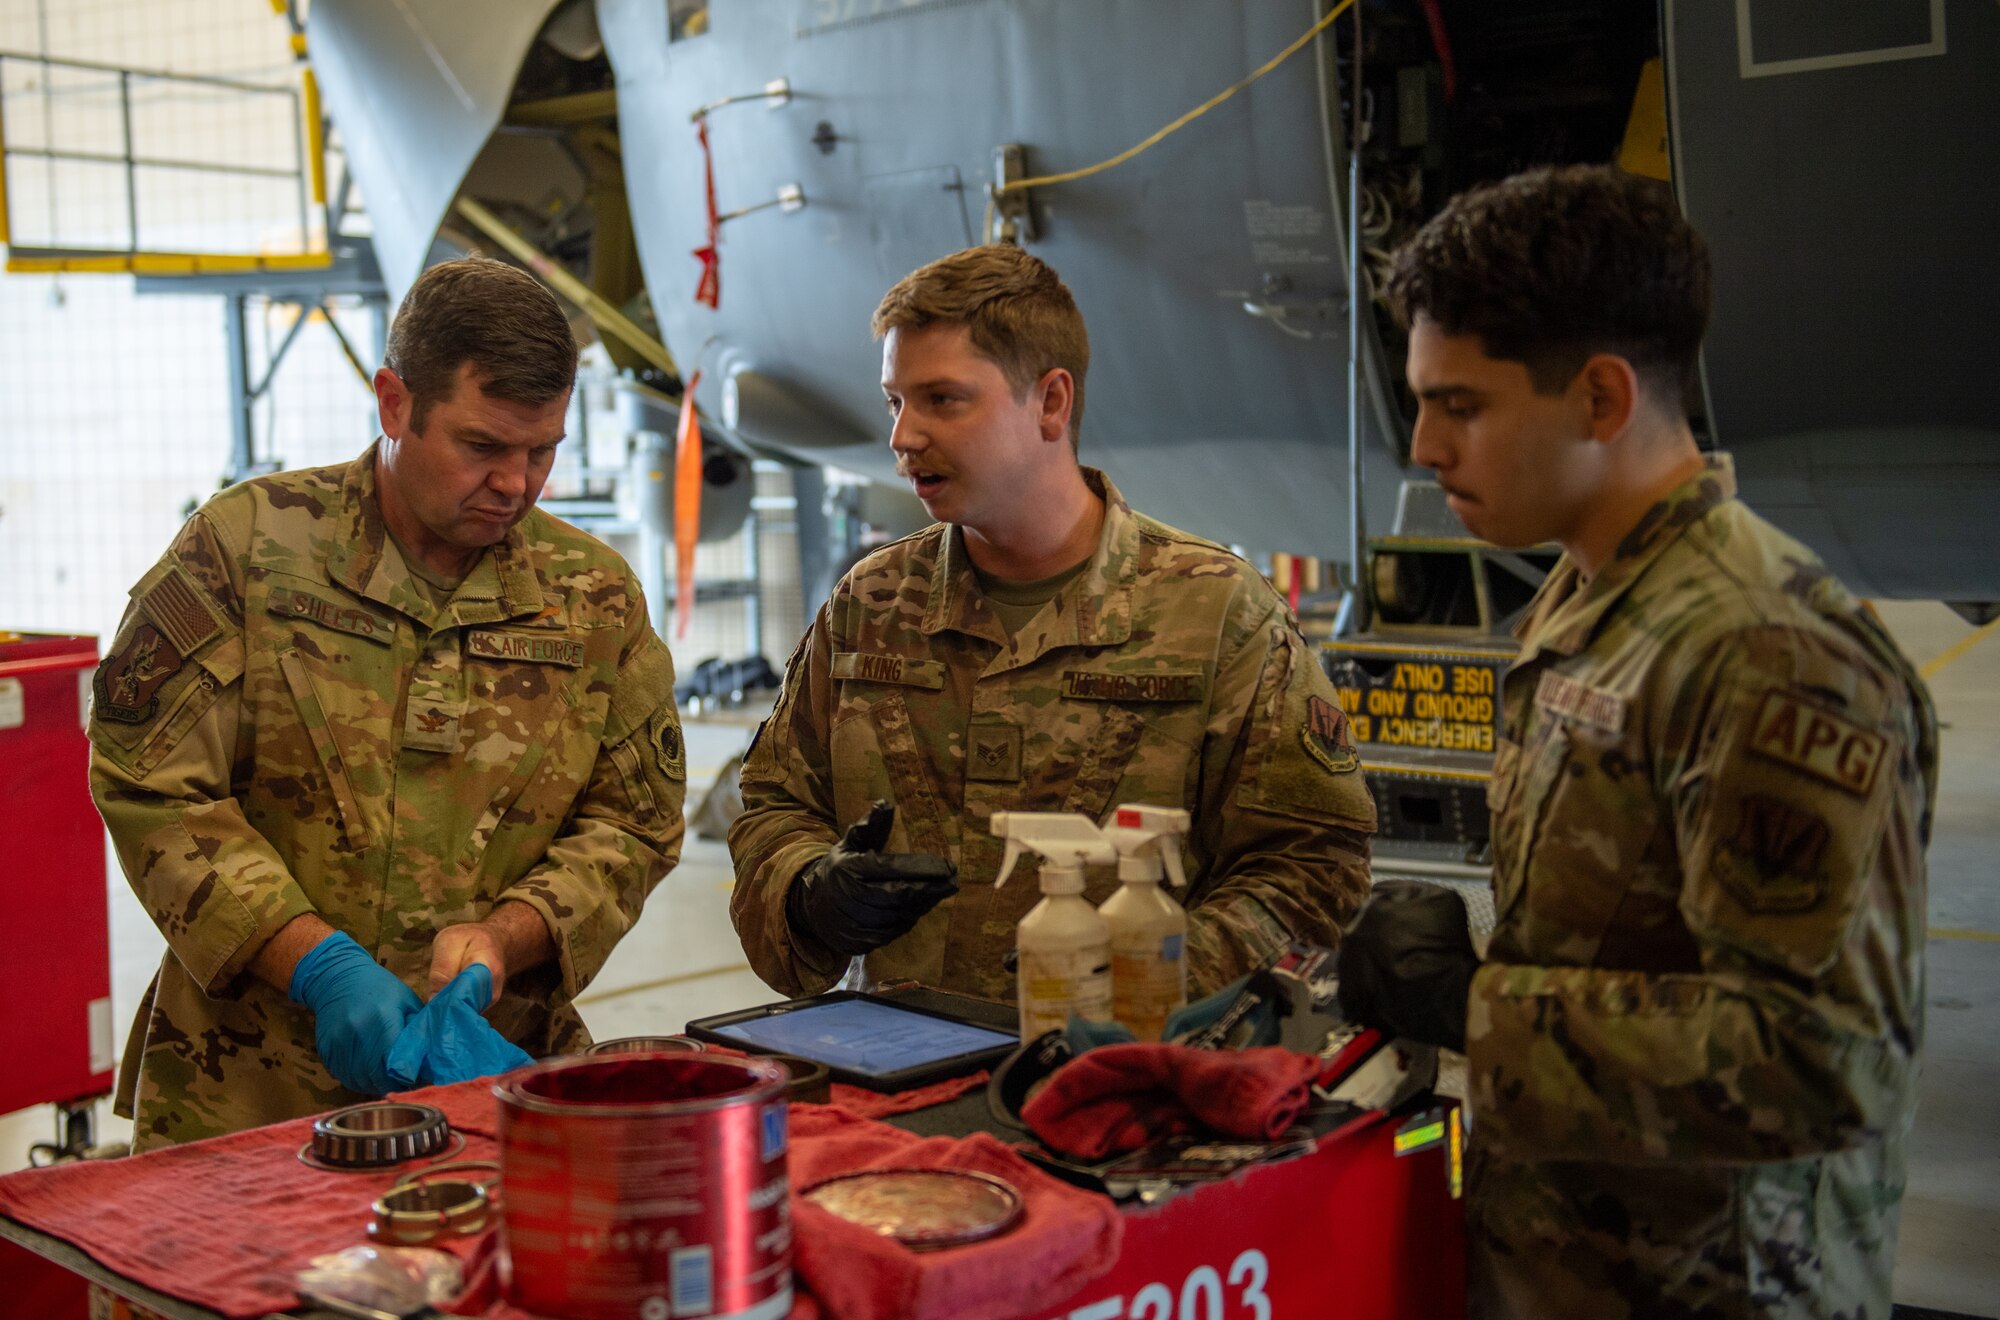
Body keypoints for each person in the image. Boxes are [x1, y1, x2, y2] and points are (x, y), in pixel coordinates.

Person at [1336, 165, 1937, 1317]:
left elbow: (1820, 1060)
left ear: (1601, 401)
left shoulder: (1763, 652)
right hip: (1570, 1263)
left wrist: (1474, 1009)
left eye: (1458, 405)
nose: (1420, 446)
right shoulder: (1587, 592)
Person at [88, 258, 687, 1148]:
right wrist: (313, 960)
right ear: (394, 403)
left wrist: (506, 938)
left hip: (485, 1083)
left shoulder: (592, 597)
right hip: (246, 1097)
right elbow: (153, 784)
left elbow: (634, 825)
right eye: (483, 446)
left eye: (543, 451)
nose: (516, 485)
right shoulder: (247, 549)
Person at [728, 244, 1375, 1002]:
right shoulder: (871, 606)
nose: (903, 437)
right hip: (899, 1069)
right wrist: (811, 891)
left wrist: (1145, 973)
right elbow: (775, 805)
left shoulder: (1214, 610)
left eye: (942, 399)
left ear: (1051, 402)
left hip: (1125, 1072)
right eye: (895, 402)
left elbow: (1313, 867)